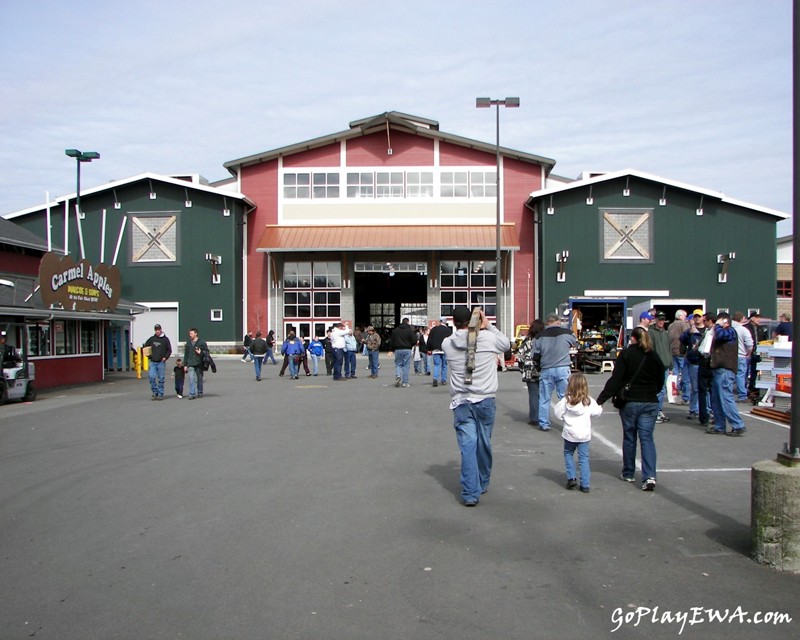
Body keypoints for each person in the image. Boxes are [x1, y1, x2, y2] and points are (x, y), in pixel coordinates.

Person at [441, 306, 511, 506]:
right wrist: (488, 326)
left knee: (468, 446)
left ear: (453, 322)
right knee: (484, 443)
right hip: (485, 398)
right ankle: (483, 480)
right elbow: (506, 344)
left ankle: (471, 492)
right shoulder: (488, 339)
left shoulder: (448, 343)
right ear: (477, 322)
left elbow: (463, 340)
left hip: (461, 400)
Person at [597, 327, 666, 491]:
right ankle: (649, 476)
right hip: (650, 401)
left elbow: (616, 379)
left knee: (630, 436)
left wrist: (600, 399)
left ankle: (628, 472)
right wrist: (652, 392)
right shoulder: (654, 356)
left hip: (630, 401)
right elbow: (660, 379)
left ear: (633, 338)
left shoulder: (627, 354)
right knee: (647, 438)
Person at [555, 372, 602, 493]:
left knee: (568, 453)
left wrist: (564, 417)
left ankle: (571, 477)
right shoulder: (588, 401)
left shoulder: (566, 401)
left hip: (570, 433)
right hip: (584, 435)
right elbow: (597, 412)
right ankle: (585, 484)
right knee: (584, 458)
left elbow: (558, 413)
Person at [533, 315, 577, 431]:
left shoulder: (539, 337)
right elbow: (575, 343)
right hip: (563, 368)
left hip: (546, 369)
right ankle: (569, 422)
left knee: (544, 398)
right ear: (557, 322)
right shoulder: (567, 333)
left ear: (547, 323)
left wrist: (539, 366)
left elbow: (535, 356)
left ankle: (544, 423)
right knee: (565, 397)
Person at [707, 313, 747, 436]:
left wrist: (718, 326)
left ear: (726, 321)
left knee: (725, 397)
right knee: (716, 399)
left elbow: (720, 335)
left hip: (725, 369)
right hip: (717, 368)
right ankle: (719, 426)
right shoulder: (721, 331)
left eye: (718, 321)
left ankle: (737, 424)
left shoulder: (730, 332)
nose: (715, 324)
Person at [516, 319, 545, 426]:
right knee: (543, 395)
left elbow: (520, 356)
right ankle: (543, 417)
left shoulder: (526, 341)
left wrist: (522, 369)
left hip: (529, 370)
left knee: (533, 394)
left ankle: (534, 418)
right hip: (542, 369)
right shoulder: (543, 341)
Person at [649, 312, 671, 423]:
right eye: (659, 319)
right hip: (657, 366)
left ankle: (659, 410)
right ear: (655, 320)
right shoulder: (651, 332)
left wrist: (671, 364)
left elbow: (669, 349)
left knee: (663, 390)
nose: (661, 322)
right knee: (658, 389)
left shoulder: (666, 333)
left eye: (663, 320)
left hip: (666, 365)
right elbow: (650, 349)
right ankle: (655, 412)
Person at [143, 324, 172, 400]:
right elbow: (145, 347)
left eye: (158, 330)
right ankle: (155, 392)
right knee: (151, 377)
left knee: (161, 378)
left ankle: (160, 393)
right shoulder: (152, 339)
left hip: (161, 362)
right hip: (153, 361)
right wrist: (149, 356)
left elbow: (169, 350)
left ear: (161, 330)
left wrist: (165, 357)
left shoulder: (165, 339)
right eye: (156, 330)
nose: (157, 331)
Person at [668, 309, 691, 403]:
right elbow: (688, 335)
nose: (685, 318)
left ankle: (675, 393)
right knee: (685, 375)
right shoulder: (683, 324)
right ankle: (686, 396)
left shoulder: (670, 325)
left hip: (672, 351)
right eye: (685, 316)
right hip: (681, 352)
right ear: (681, 316)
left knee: (675, 374)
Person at [731, 311, 754, 402]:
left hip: (729, 356)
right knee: (740, 375)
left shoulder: (728, 328)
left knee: (730, 375)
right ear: (741, 319)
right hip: (740, 355)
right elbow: (749, 344)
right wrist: (749, 353)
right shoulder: (743, 329)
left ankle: (727, 394)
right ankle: (742, 395)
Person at [427, 318, 452, 388]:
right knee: (444, 365)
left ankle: (435, 378)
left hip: (436, 350)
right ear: (445, 322)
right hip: (445, 350)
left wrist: (429, 348)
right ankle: (443, 380)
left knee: (436, 365)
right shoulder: (448, 330)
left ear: (440, 322)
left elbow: (429, 339)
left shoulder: (434, 329)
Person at [183, 328, 208, 400]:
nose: (190, 335)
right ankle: (192, 393)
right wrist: (185, 365)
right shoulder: (188, 343)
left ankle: (200, 392)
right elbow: (186, 354)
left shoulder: (202, 342)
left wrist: (201, 352)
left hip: (199, 363)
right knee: (191, 378)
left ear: (196, 333)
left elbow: (206, 352)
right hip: (191, 363)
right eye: (189, 333)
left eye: (191, 333)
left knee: (199, 378)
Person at [391, 317, 416, 387]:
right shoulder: (409, 330)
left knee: (398, 364)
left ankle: (398, 375)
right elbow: (414, 340)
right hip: (407, 349)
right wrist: (410, 345)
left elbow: (392, 340)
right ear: (407, 322)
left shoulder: (396, 330)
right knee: (406, 366)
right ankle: (405, 382)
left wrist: (391, 349)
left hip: (398, 349)